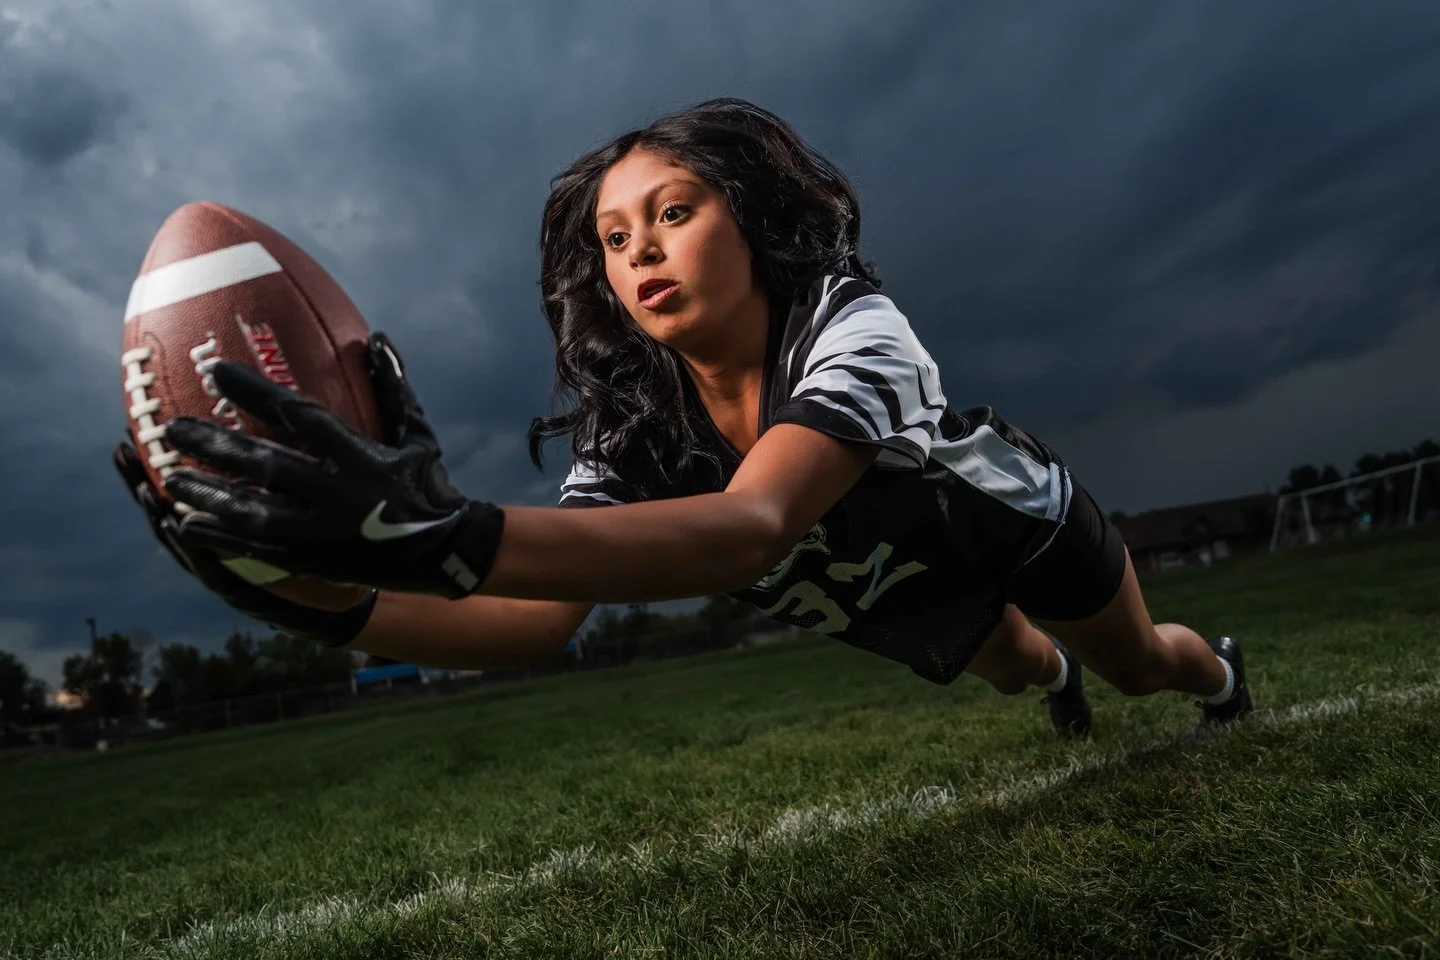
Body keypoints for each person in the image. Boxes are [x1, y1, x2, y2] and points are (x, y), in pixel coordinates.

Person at [114, 98, 1253, 737]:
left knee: (1142, 667)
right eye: (614, 238)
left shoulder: (855, 329)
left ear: (749, 218)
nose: (641, 249)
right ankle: (1050, 681)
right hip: (880, 590)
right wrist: (334, 603)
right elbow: (536, 622)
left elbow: (758, 522)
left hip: (1006, 524)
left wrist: (447, 530)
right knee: (1015, 665)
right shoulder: (634, 423)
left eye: (673, 211)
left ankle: (1221, 676)